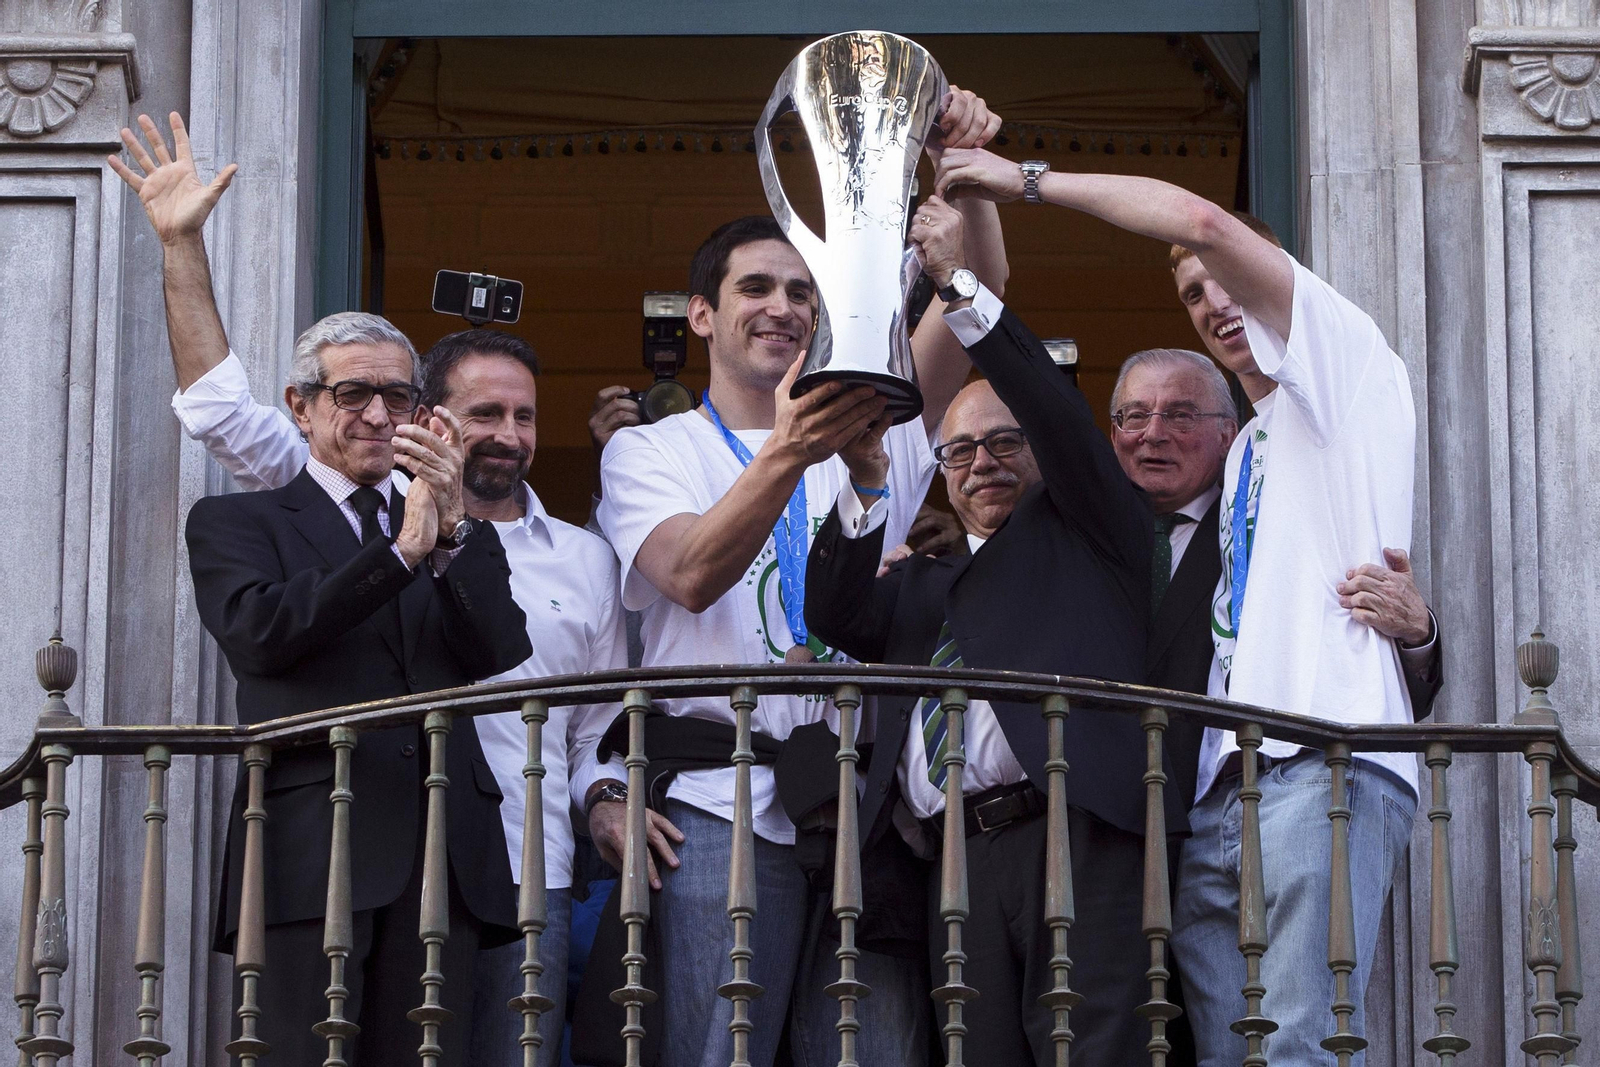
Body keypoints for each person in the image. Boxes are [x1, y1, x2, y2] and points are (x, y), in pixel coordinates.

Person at [111, 112, 627, 1065]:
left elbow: (499, 648)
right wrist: (180, 242)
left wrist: (450, 531)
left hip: (454, 866)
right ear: (302, 408)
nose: (380, 413)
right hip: (315, 860)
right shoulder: (244, 518)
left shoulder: (441, 514)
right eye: (354, 394)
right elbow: (265, 635)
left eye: (399, 396)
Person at [934, 148, 1427, 1065]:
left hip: (1316, 762)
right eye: (1195, 297)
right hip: (1212, 793)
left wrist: (1019, 182)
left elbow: (1197, 220)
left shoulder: (1351, 370)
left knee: (1294, 1049)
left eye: (1228, 280)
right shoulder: (1246, 451)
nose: (1215, 304)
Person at [567, 88, 1007, 1067]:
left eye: (802, 291)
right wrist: (789, 451)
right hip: (718, 810)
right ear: (700, 314)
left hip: (866, 815)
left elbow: (974, 299)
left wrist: (968, 176)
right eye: (756, 288)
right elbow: (687, 572)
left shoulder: (879, 431)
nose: (782, 307)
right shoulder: (652, 450)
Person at [803, 217, 1169, 1063]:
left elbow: (1048, 402)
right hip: (953, 863)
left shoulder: (1094, 533)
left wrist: (960, 289)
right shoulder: (918, 583)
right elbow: (832, 611)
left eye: (1005, 443)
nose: (981, 463)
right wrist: (865, 481)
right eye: (958, 450)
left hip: (1074, 835)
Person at [1107, 346, 1443, 804]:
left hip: (1220, 799)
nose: (1154, 433)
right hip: (1102, 819)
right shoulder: (1083, 537)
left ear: (1229, 435)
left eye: (1181, 416)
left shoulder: (1269, 527)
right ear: (1113, 433)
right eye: (1135, 415)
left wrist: (1417, 632)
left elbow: (1367, 675)